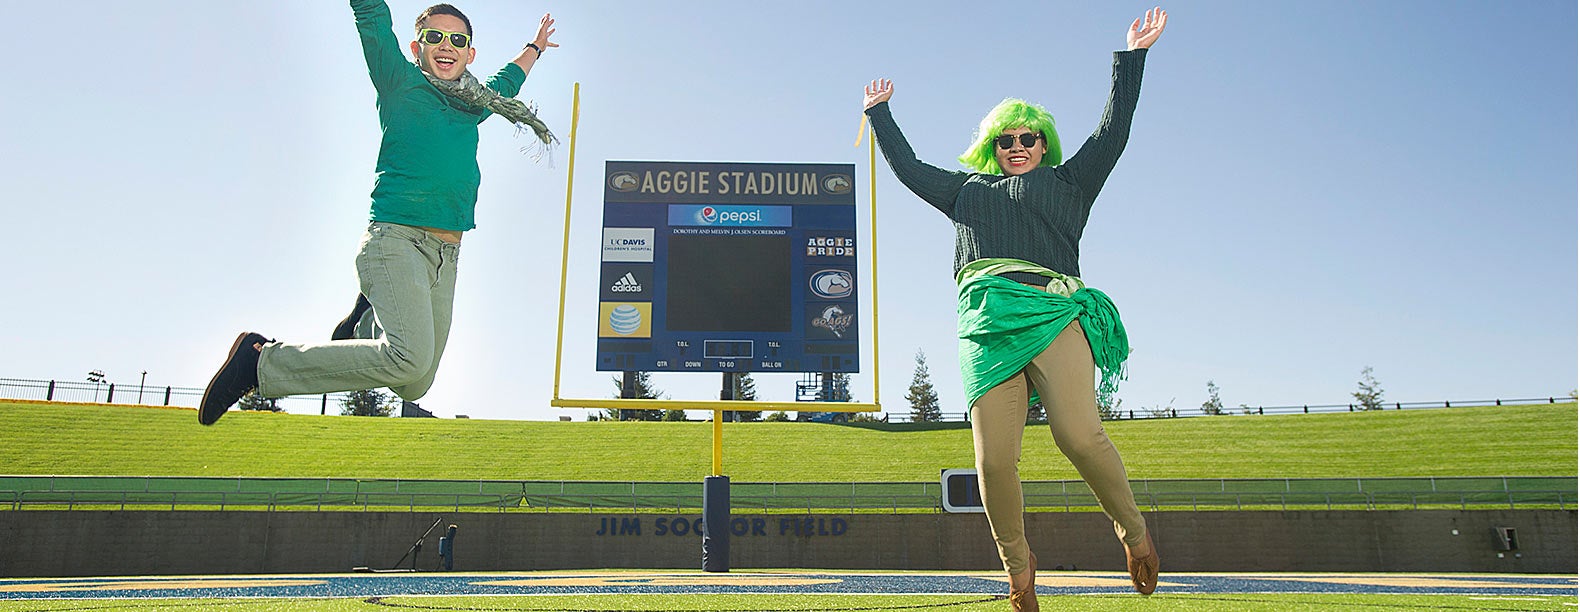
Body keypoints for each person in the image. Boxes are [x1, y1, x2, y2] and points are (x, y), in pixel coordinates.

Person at [862, 7, 1167, 609]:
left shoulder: (1070, 183)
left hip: (1052, 314)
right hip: (986, 324)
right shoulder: (966, 193)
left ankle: (1134, 535)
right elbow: (910, 170)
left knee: (1078, 434)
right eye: (1006, 140)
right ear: (991, 147)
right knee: (993, 462)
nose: (1018, 147)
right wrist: (880, 115)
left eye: (1029, 138)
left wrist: (1131, 60)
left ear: (1044, 142)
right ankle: (1019, 573)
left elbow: (1113, 132)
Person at [197, 1, 559, 425]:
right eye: (434, 37)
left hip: (445, 258)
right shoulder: (399, 82)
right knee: (408, 359)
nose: (446, 46)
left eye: (457, 40)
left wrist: (534, 47)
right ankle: (258, 362)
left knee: (415, 382)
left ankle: (366, 325)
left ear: (469, 54)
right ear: (415, 47)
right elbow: (372, 18)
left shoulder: (473, 104)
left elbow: (507, 80)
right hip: (396, 239)